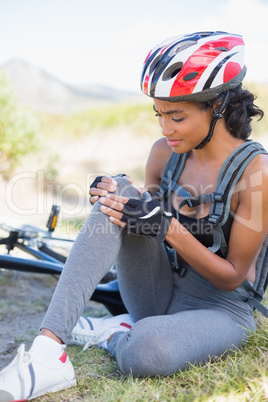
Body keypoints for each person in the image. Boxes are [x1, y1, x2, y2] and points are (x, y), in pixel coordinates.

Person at [0, 31, 268, 401]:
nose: (164, 128)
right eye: (158, 115)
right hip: (156, 292)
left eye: (176, 116)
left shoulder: (257, 174)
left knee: (145, 351)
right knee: (119, 195)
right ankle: (48, 353)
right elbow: (150, 203)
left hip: (220, 310)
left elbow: (234, 277)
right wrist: (119, 193)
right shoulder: (164, 153)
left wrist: (167, 227)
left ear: (219, 107)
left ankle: (115, 332)